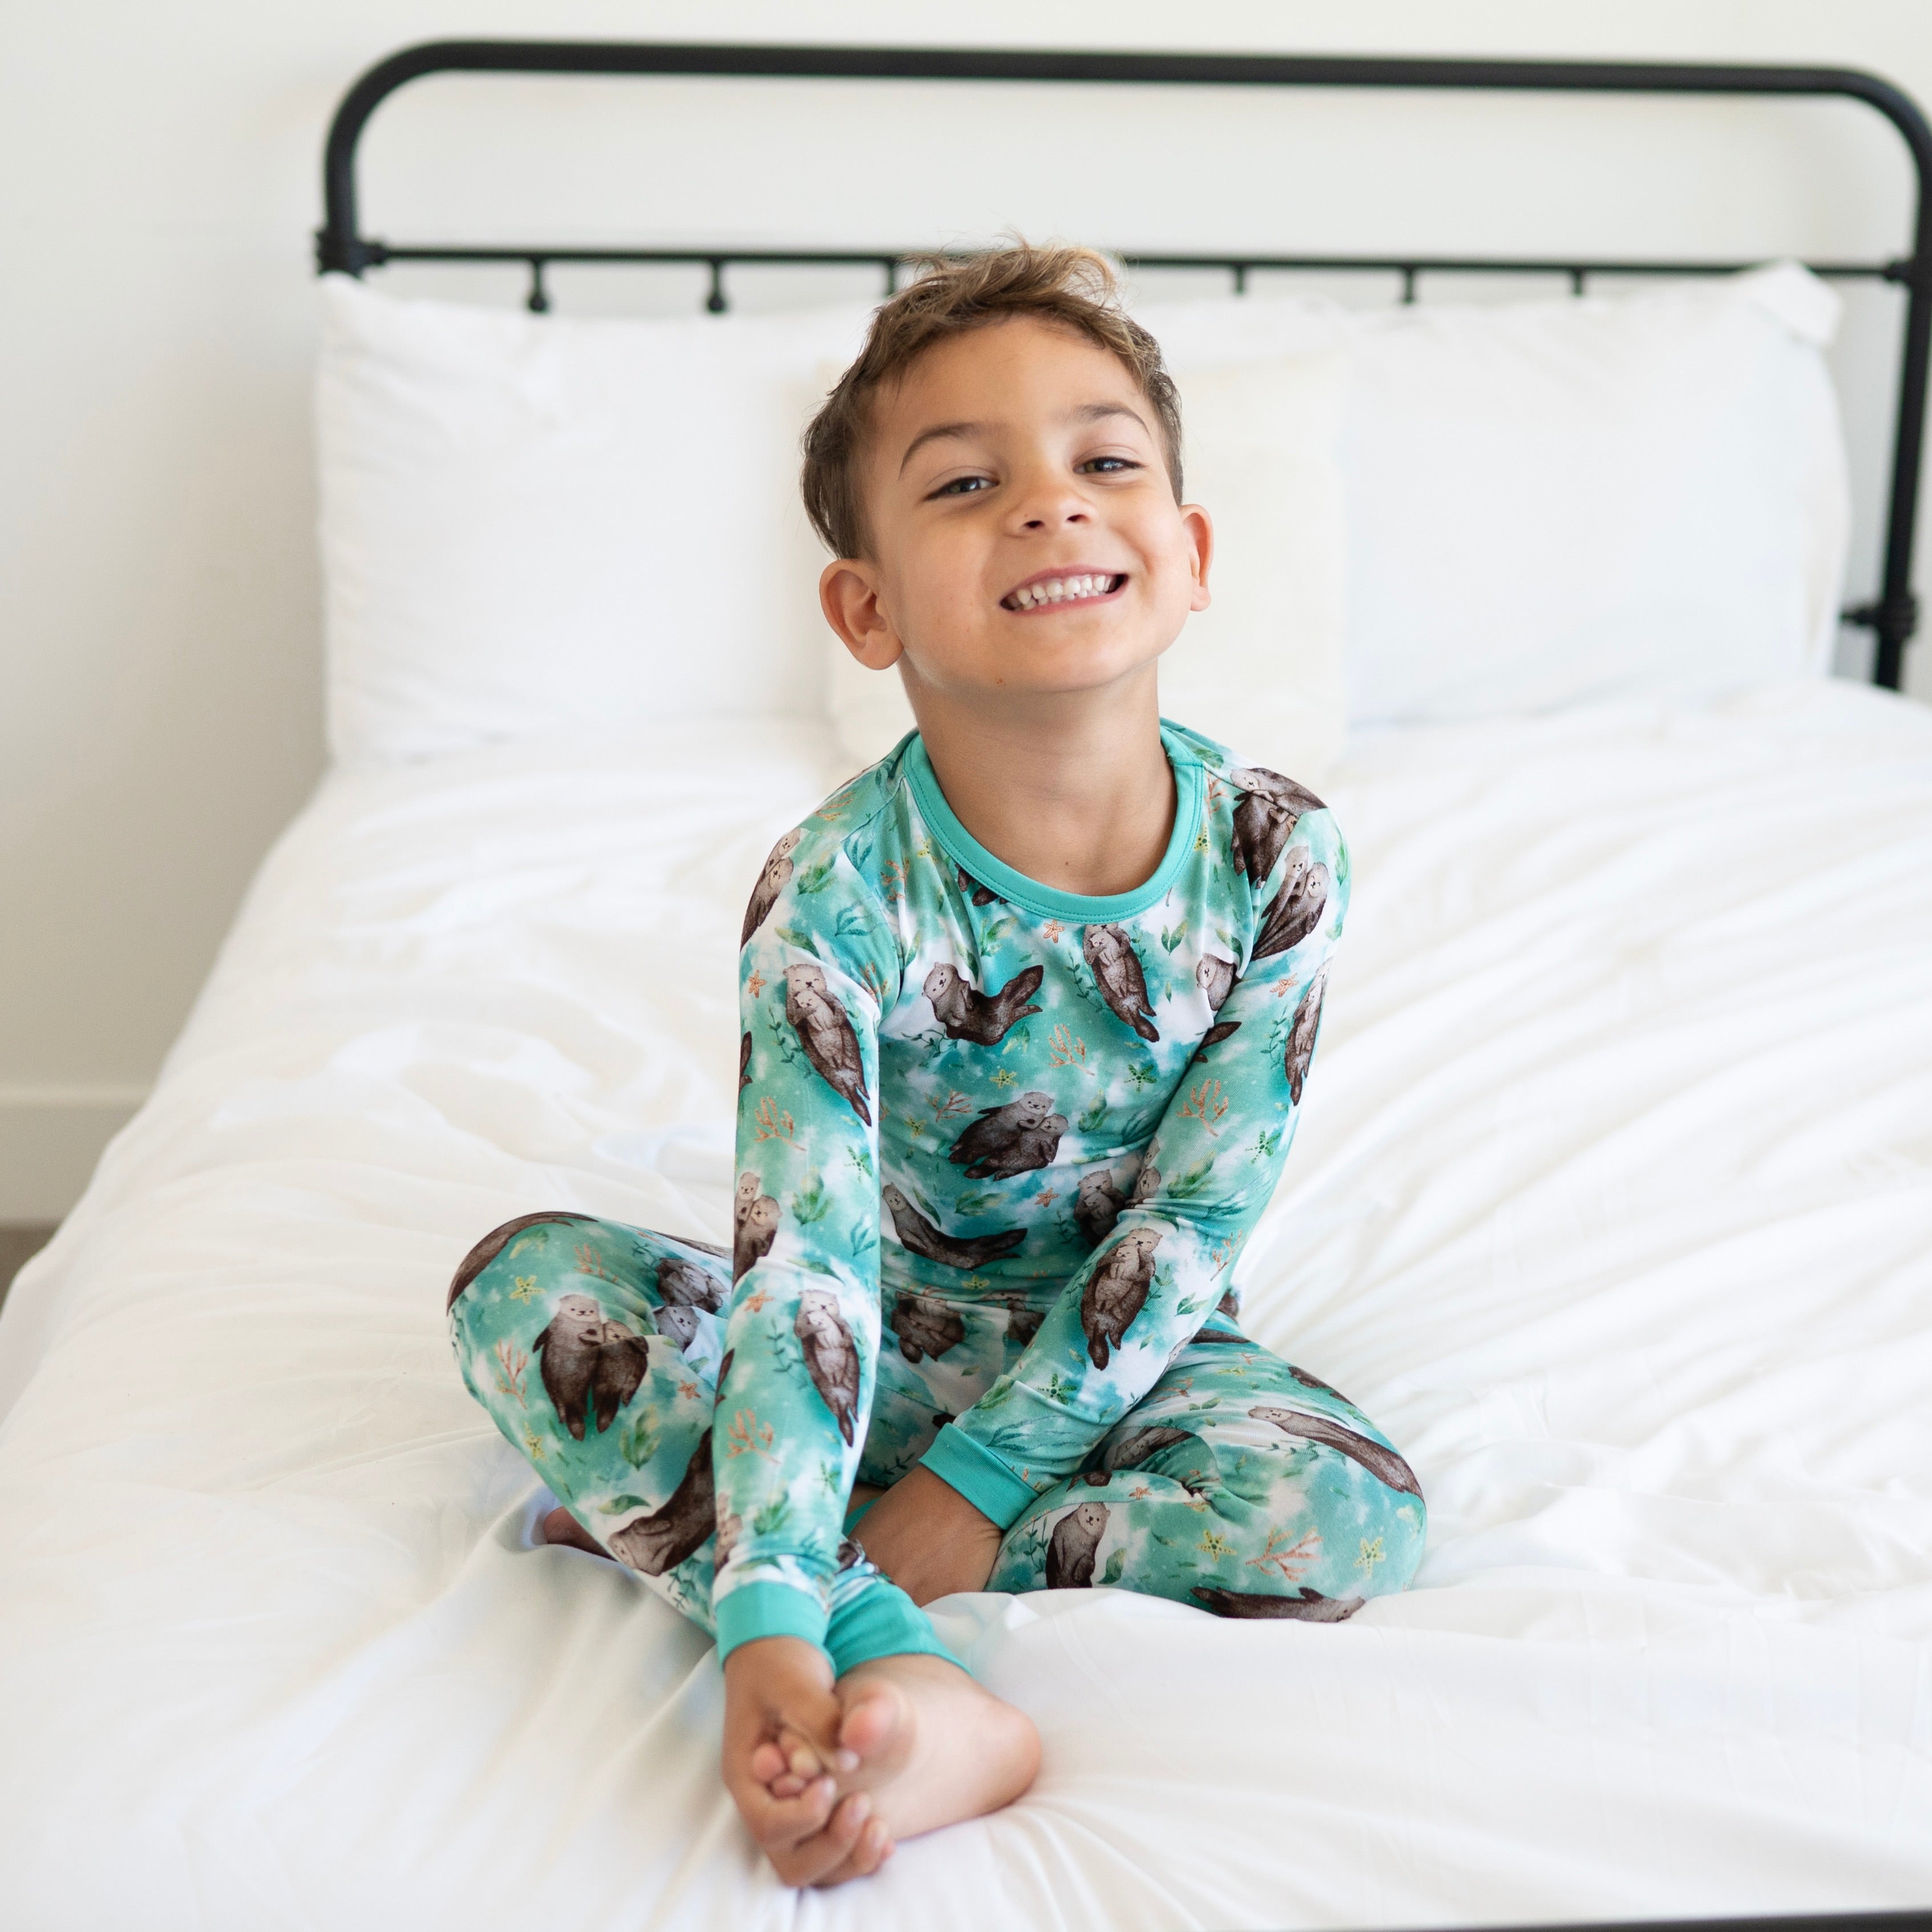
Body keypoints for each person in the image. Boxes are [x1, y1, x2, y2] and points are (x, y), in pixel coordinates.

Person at [446, 244, 1425, 1886]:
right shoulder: (836, 890)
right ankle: (884, 1644)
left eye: (1104, 461)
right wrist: (779, 1629)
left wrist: (971, 1487)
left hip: (1118, 1365)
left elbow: (1193, 1221)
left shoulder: (1277, 855)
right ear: (868, 608)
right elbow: (806, 1259)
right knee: (523, 1293)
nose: (1050, 505)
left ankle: (703, 1530)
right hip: (860, 1347)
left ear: (1189, 555)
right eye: (968, 483)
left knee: (1350, 1514)